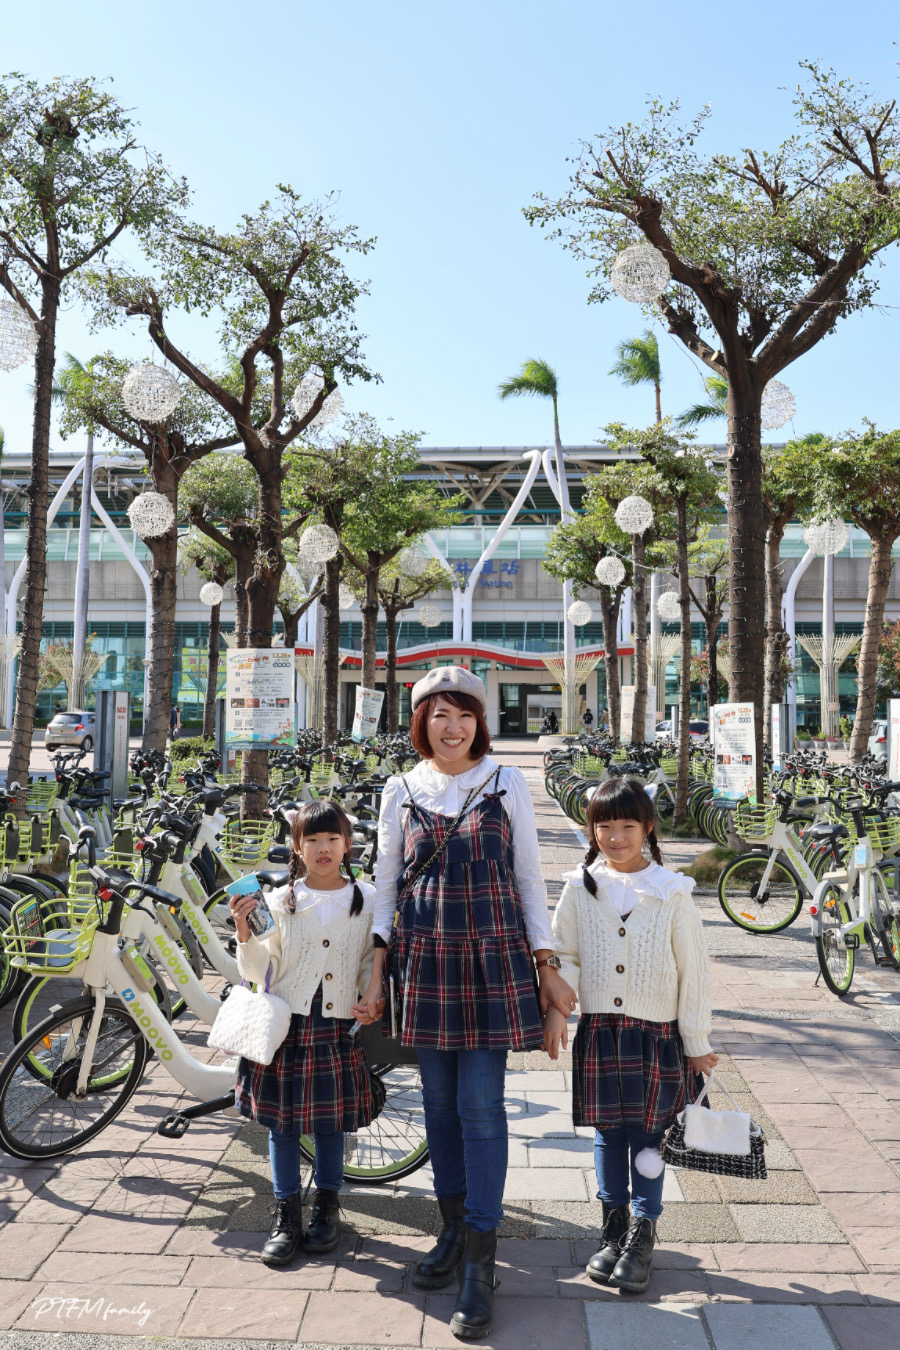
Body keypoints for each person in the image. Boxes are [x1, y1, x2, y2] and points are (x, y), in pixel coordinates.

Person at [357, 666, 575, 1340]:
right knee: (438, 1107)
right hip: (425, 962)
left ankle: (482, 1257)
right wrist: (374, 974)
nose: (453, 728)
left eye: (465, 715)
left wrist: (546, 965)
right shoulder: (400, 789)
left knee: (480, 1105)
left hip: (491, 959)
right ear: (419, 721)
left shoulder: (506, 781)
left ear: (481, 722)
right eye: (438, 715)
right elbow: (386, 885)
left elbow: (529, 879)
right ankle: (451, 1230)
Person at [544, 778, 716, 1296]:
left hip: (656, 1034)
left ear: (647, 828)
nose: (615, 836)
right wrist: (558, 1007)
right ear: (590, 828)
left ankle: (643, 1233)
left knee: (649, 1136)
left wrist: (696, 1041)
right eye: (604, 826)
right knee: (607, 1132)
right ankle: (612, 1226)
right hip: (601, 1029)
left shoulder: (670, 891)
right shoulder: (580, 886)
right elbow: (562, 954)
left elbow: (694, 970)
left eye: (626, 826)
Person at [230, 800, 382, 1268]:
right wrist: (243, 932)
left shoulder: (368, 899)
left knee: (330, 1124)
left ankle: (327, 1208)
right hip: (287, 1027)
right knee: (283, 1125)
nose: (323, 848)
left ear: (347, 844)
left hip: (337, 1027)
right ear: (296, 846)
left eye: (332, 839)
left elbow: (369, 964)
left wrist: (371, 999)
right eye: (311, 840)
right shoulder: (280, 900)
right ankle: (286, 1213)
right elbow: (258, 971)